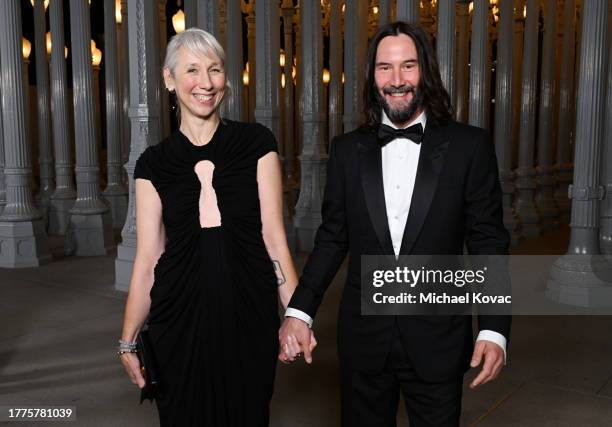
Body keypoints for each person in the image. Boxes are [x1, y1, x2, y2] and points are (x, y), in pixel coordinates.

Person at [278, 22, 511, 426]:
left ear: (427, 73)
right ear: (372, 77)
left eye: (409, 66)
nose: (397, 80)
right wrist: (300, 311)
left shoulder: (469, 147)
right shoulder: (347, 151)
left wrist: (493, 330)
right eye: (385, 68)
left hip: (439, 339)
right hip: (364, 341)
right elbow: (332, 239)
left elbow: (487, 242)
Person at [118, 28, 312, 427]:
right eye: (191, 70)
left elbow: (274, 238)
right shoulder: (153, 164)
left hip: (249, 313)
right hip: (177, 319)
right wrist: (127, 340)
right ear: (169, 79)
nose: (205, 83)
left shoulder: (257, 143)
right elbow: (149, 258)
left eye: (215, 70)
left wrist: (298, 315)